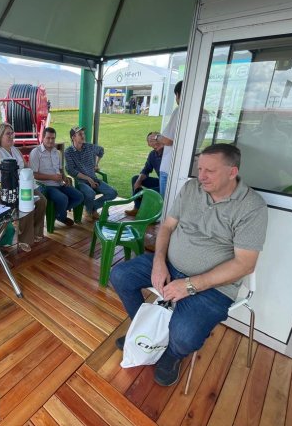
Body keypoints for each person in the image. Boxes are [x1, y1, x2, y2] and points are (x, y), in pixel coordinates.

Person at [110, 144, 268, 387]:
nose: (201, 176)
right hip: (170, 264)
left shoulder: (251, 207)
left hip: (214, 286)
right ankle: (148, 330)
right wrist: (159, 262)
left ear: (232, 172)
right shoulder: (192, 188)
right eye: (199, 168)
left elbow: (244, 264)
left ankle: (172, 354)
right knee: (121, 275)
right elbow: (167, 227)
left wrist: (190, 285)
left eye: (210, 171)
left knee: (185, 336)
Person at [0, 122, 47, 252]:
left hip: (24, 184)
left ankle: (36, 232)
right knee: (27, 204)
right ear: (0, 136)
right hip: (8, 190)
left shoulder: (15, 149)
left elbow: (25, 166)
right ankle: (25, 238)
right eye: (7, 134)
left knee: (42, 201)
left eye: (12, 133)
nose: (11, 136)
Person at [29, 127, 83, 227]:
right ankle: (61, 216)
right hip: (45, 186)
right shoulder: (36, 152)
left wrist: (65, 177)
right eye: (48, 138)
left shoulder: (56, 152)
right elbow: (34, 174)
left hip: (59, 183)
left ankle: (56, 214)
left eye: (53, 138)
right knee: (63, 198)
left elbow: (60, 169)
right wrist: (51, 177)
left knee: (79, 196)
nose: (51, 141)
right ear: (43, 138)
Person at [64, 126, 117, 220]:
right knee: (90, 193)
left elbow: (101, 150)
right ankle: (90, 211)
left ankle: (91, 208)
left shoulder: (89, 147)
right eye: (80, 134)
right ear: (73, 137)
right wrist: (88, 179)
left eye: (83, 134)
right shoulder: (68, 152)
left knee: (113, 193)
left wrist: (96, 164)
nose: (83, 136)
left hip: (94, 179)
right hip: (80, 182)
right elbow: (71, 171)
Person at [125, 131, 164, 217]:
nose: (154, 142)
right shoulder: (152, 154)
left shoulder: (168, 154)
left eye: (156, 139)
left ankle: (150, 215)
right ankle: (137, 208)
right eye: (151, 140)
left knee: (147, 194)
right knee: (135, 178)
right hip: (160, 182)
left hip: (169, 185)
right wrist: (138, 181)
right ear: (148, 144)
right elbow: (146, 170)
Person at [157, 80, 183, 197]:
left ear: (177, 94)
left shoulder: (179, 110)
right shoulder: (204, 113)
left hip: (170, 167)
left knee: (166, 203)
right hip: (185, 168)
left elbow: (168, 140)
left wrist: (156, 137)